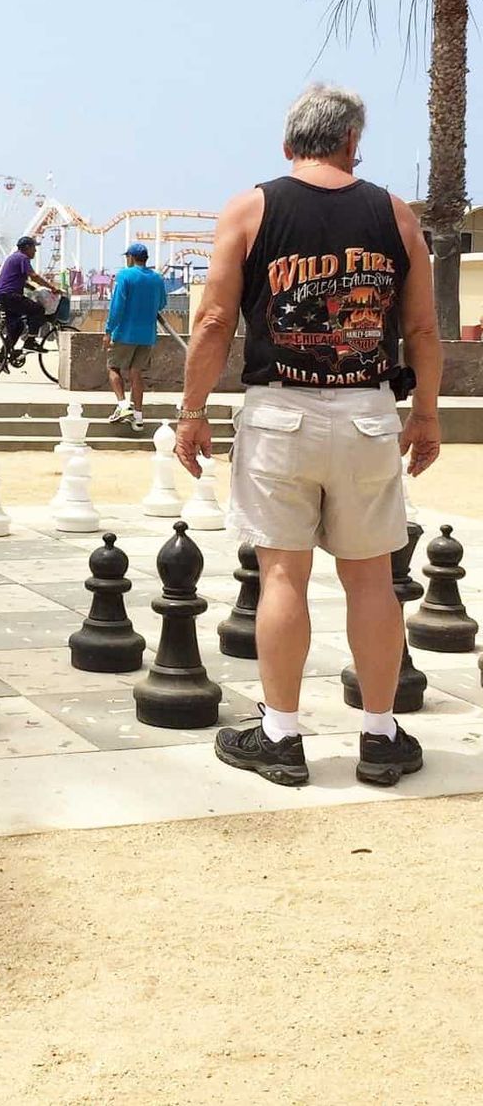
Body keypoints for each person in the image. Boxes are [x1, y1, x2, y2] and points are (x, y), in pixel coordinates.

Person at [175, 83, 441, 789]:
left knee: (283, 574)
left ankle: (282, 735)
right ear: (353, 143)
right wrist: (429, 415)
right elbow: (420, 328)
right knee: (371, 580)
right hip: (365, 413)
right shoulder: (395, 213)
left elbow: (212, 321)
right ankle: (380, 736)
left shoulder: (251, 207)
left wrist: (191, 410)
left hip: (279, 412)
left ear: (289, 145)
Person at [103, 241, 168, 432]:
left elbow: (117, 306)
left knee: (113, 367)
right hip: (147, 334)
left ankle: (123, 406)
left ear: (130, 258)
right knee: (136, 372)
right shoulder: (157, 278)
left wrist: (108, 330)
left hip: (124, 332)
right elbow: (162, 303)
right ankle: (138, 417)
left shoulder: (125, 275)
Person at [0, 235, 60, 353]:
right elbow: (34, 276)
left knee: (17, 327)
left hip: (3, 295)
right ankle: (30, 342)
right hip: (11, 296)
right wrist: (52, 287)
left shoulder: (13, 258)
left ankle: (2, 356)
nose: (35, 250)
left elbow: (20, 282)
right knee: (38, 310)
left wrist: (36, 289)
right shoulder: (22, 258)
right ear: (27, 247)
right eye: (33, 248)